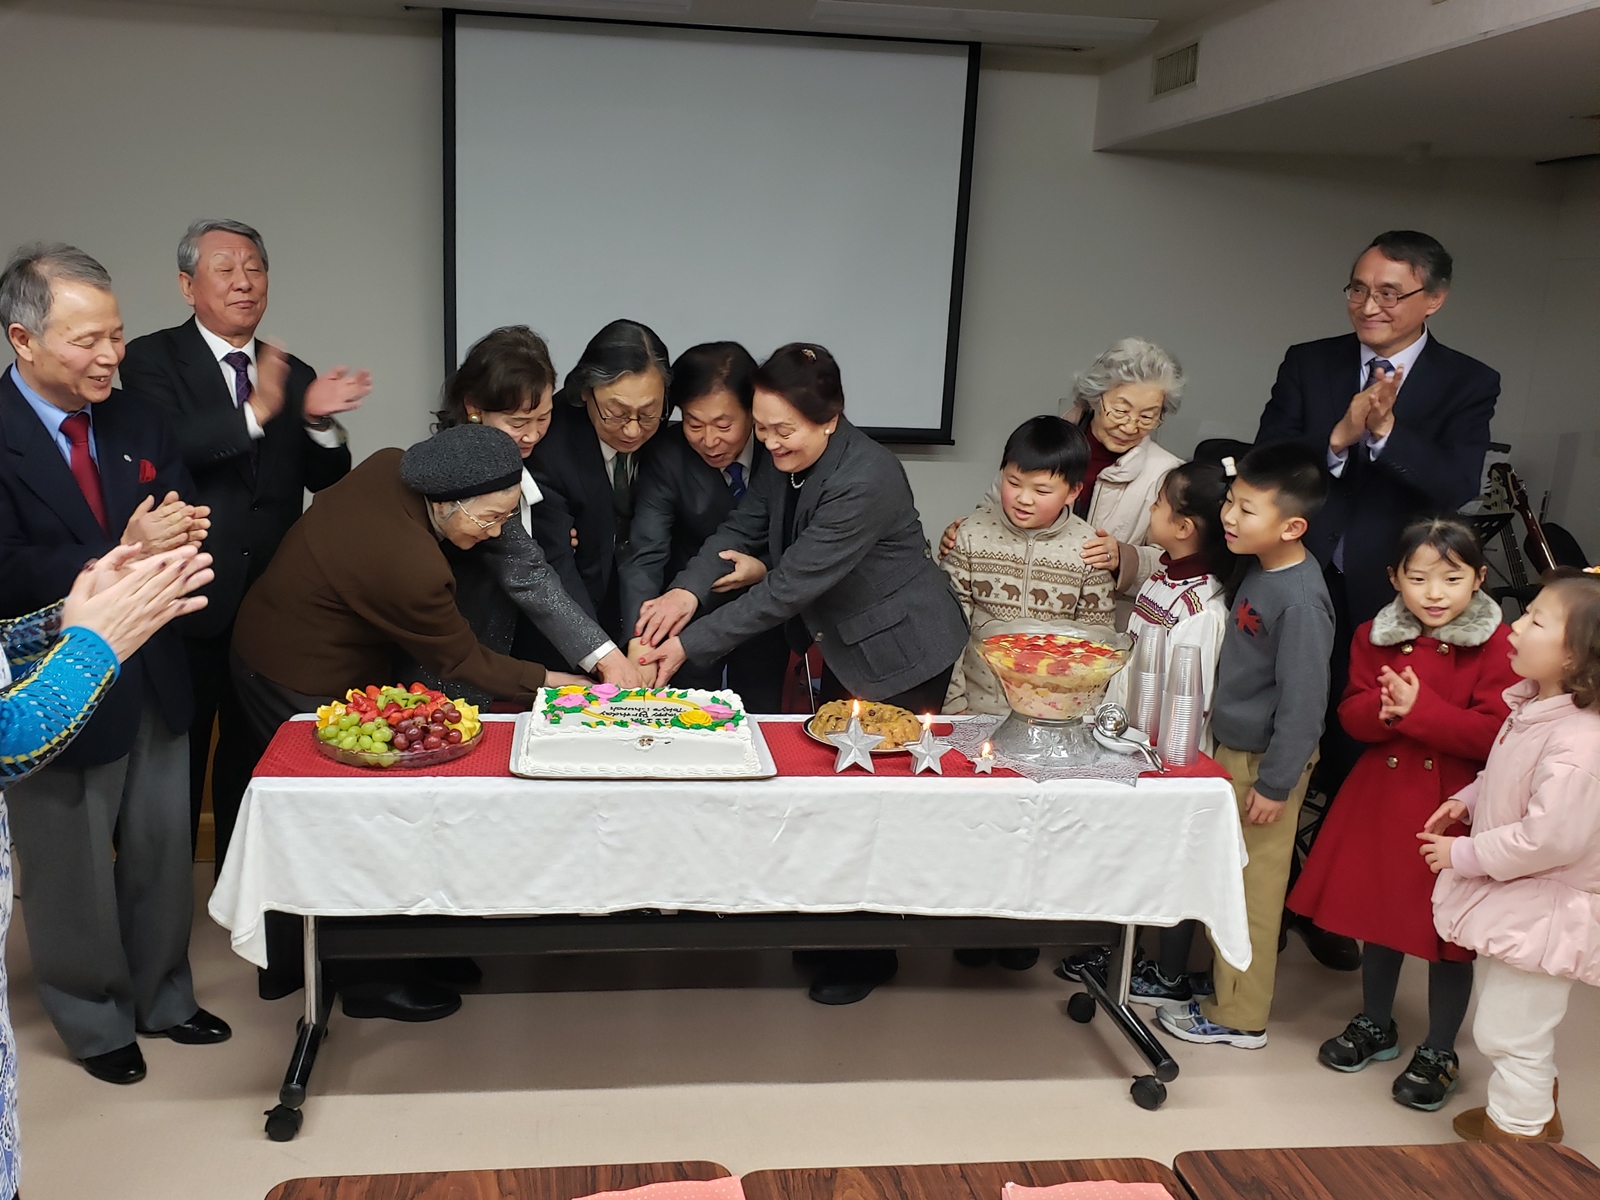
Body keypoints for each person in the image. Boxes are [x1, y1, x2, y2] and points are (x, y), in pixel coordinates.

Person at [636, 343, 969, 1005]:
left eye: (782, 430)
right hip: (847, 642)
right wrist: (686, 593)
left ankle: (866, 954)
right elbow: (741, 527)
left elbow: (786, 587)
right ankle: (834, 927)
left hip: (901, 651)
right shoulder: (786, 457)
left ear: (831, 418)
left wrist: (686, 646)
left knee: (874, 802)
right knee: (837, 791)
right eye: (761, 429)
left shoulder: (867, 478)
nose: (768, 443)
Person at [231, 423, 589, 1021]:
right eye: (490, 519)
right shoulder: (409, 563)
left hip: (313, 653)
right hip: (293, 671)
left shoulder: (393, 464)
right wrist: (562, 685)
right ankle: (366, 981)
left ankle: (407, 949)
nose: (496, 532)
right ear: (445, 501)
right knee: (344, 828)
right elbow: (464, 661)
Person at [0, 244, 229, 1085]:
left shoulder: (138, 419)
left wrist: (175, 534)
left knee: (164, 849)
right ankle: (94, 1018)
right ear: (23, 339)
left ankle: (165, 996)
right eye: (86, 340)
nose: (109, 357)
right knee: (68, 865)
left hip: (153, 667)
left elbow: (179, 513)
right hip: (49, 681)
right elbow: (7, 569)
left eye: (118, 336)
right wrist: (116, 552)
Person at [1257, 231, 1499, 971]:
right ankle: (1265, 894)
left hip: (1391, 598)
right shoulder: (1311, 361)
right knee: (1277, 728)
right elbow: (1270, 460)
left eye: (1390, 292)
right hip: (1297, 579)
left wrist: (1388, 433)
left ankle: (1321, 902)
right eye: (1358, 288)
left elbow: (1454, 484)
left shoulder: (1467, 380)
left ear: (1434, 299)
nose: (1368, 305)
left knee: (1353, 745)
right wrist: (1338, 437)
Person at [119, 218, 368, 872]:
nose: (244, 282)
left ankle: (244, 883)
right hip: (185, 596)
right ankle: (165, 897)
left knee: (255, 754)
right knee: (177, 757)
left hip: (271, 605)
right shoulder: (149, 359)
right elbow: (169, 448)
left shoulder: (291, 371)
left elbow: (326, 478)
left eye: (254, 268)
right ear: (187, 285)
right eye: (225, 269)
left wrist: (317, 420)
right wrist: (256, 412)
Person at [0, 543, 215, 1199]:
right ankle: (96, 1020)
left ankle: (157, 997)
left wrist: (74, 612)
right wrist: (94, 645)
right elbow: (12, 735)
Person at [1290, 516, 1517, 1112]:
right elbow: (1350, 714)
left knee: (1449, 933)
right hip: (1384, 798)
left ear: (1479, 578)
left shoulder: (1499, 644)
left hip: (1454, 805)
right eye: (1418, 578)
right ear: (1394, 578)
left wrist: (1419, 711)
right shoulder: (1375, 634)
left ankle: (1440, 1048)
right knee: (1381, 914)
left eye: (1452, 578)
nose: (1434, 593)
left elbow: (1496, 735)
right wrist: (1385, 712)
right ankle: (1375, 1021)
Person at [1155, 443, 1334, 1050]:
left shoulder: (1302, 599)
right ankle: (1221, 991)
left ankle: (1240, 1016)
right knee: (1224, 877)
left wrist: (1276, 784)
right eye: (1230, 502)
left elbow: (1305, 704)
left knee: (1252, 892)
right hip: (1235, 749)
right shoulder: (1258, 565)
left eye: (1246, 510)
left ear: (1292, 527)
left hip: (1267, 763)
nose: (1228, 517)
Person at [1424, 568, 1600, 1144]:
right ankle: (1533, 1111)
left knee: (1510, 1033)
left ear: (1575, 656)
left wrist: (1464, 853)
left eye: (1536, 621)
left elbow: (1549, 838)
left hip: (1546, 913)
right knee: (1509, 1024)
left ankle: (1518, 1142)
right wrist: (1469, 798)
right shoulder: (1536, 708)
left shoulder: (1579, 742)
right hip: (1522, 903)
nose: (1515, 626)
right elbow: (1509, 775)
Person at [1063, 459, 1235, 1004]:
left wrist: (1150, 749)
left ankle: (1169, 971)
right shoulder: (1163, 575)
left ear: (1183, 526)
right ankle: (1122, 949)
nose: (1151, 511)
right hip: (1128, 736)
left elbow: (1189, 696)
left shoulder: (1202, 607)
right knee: (1127, 853)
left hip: (1164, 753)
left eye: (1158, 504)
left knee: (1170, 859)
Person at [429, 325, 641, 701]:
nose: (532, 435)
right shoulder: (464, 468)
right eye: (518, 423)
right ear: (474, 408)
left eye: (543, 418)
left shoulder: (524, 456)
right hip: (464, 662)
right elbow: (525, 572)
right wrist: (605, 656)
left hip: (518, 653)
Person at [940, 337, 1186, 610]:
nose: (1130, 426)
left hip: (1102, 619)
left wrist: (1127, 559)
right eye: (1120, 411)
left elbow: (1180, 562)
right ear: (1095, 398)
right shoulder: (1043, 444)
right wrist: (965, 534)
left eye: (1147, 416)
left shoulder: (1167, 474)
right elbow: (991, 511)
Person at [620, 342, 790, 712]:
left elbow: (806, 539)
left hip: (765, 612)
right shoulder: (667, 454)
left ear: (753, 411)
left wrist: (765, 569)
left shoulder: (783, 449)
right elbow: (646, 553)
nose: (709, 441)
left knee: (759, 716)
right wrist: (641, 638)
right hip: (686, 613)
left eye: (724, 425)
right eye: (694, 424)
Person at [942, 415, 1117, 718]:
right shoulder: (970, 536)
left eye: (1042, 491)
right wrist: (954, 706)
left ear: (1073, 491)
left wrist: (1084, 712)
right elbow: (947, 628)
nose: (1023, 499)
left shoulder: (1089, 549)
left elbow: (1097, 642)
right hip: (977, 708)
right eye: (1013, 483)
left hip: (1058, 713)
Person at [524, 319, 671, 655]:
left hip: (649, 614)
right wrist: (602, 655)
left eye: (648, 413)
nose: (633, 430)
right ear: (585, 392)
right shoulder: (549, 448)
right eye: (616, 413)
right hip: (570, 625)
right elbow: (558, 567)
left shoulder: (670, 433)